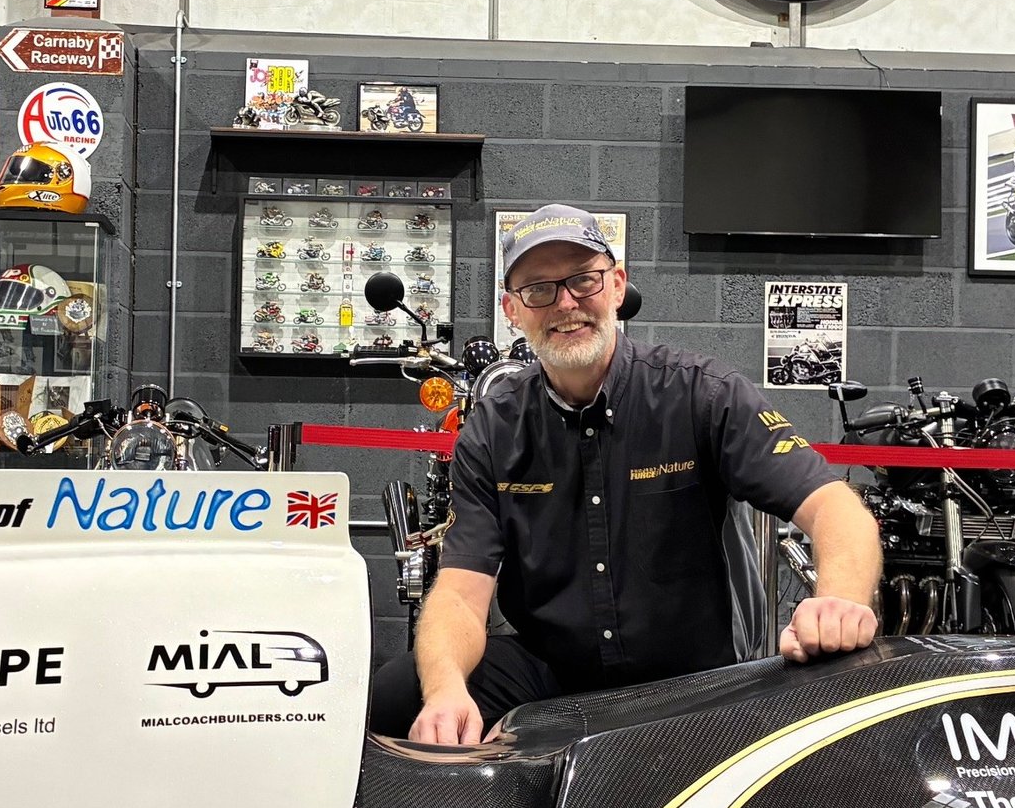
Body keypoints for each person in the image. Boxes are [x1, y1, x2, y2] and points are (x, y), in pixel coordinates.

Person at [370, 204, 883, 745]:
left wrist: (840, 600)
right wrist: (446, 689)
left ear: (616, 286)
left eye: (582, 280)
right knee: (397, 695)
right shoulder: (492, 430)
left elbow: (833, 506)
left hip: (689, 678)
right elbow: (459, 593)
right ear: (513, 310)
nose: (565, 303)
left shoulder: (701, 393)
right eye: (538, 289)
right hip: (552, 668)